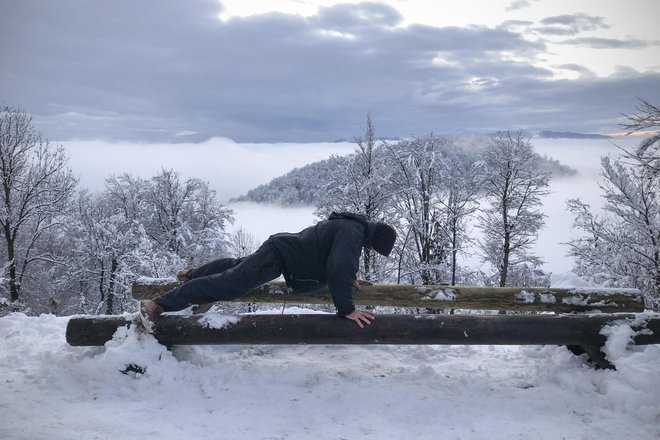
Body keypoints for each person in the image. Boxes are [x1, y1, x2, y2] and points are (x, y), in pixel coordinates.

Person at [139, 212, 397, 332]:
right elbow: (340, 264)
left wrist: (349, 280)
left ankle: (191, 275)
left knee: (236, 267)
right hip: (280, 256)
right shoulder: (353, 233)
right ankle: (158, 304)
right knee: (229, 284)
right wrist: (347, 309)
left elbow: (332, 257)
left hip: (281, 250)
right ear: (375, 241)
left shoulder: (352, 227)